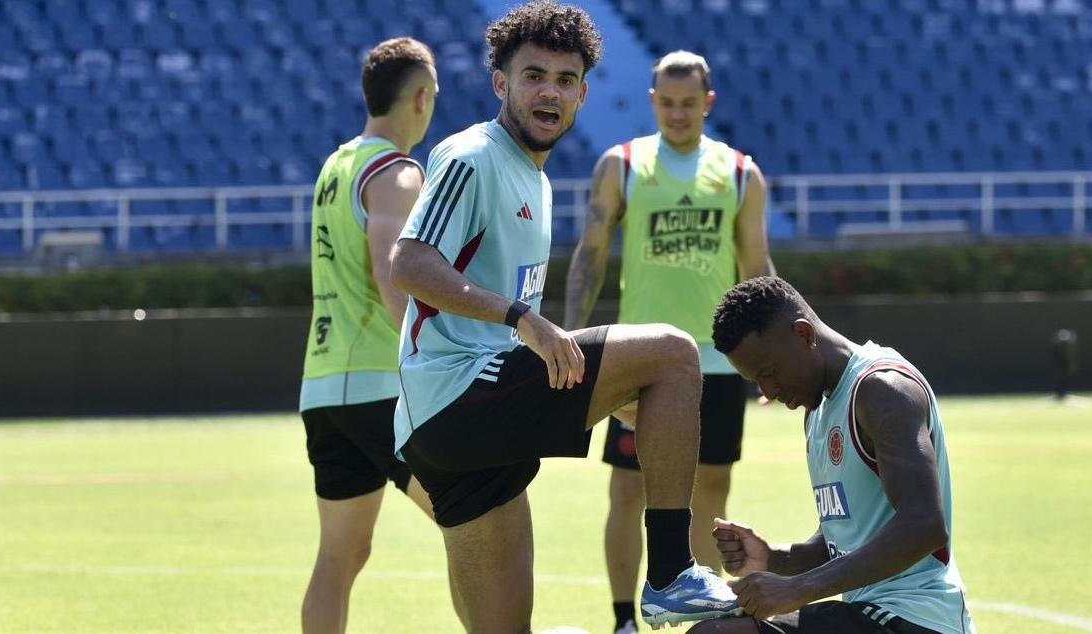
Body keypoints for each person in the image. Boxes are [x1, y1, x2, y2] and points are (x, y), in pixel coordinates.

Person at [386, 3, 739, 631]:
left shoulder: (538, 180)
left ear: (582, 95)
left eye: (566, 80)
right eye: (533, 75)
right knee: (676, 352)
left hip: (462, 434)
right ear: (501, 83)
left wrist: (622, 394)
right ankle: (667, 574)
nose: (550, 91)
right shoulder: (471, 156)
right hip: (458, 396)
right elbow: (409, 264)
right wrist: (523, 317)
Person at [563, 50, 774, 634]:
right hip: (643, 364)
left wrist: (771, 359)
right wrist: (572, 341)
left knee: (712, 491)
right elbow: (591, 255)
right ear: (653, 100)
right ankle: (624, 618)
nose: (678, 115)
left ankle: (699, 616)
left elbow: (758, 269)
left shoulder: (739, 174)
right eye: (667, 103)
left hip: (720, 364)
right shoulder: (623, 164)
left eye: (689, 104)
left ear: (707, 104)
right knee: (629, 492)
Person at [689, 277, 975, 634]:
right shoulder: (818, 410)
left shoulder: (881, 389)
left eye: (769, 373)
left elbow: (925, 525)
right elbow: (850, 537)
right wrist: (776, 559)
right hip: (869, 615)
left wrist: (798, 589)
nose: (768, 392)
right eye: (756, 382)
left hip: (916, 618)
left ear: (804, 334)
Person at [297, 37, 467, 633]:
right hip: (379, 387)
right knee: (471, 523)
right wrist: (437, 359)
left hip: (323, 388)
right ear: (420, 98)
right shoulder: (395, 173)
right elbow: (392, 273)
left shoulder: (335, 166)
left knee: (340, 556)